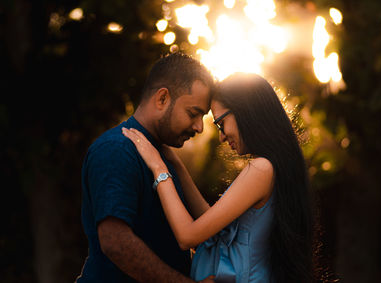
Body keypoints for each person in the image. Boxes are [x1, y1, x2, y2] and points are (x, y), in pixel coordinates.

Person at [122, 72, 313, 282]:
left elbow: (188, 236)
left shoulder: (261, 169)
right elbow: (214, 228)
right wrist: (174, 162)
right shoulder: (271, 167)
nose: (221, 136)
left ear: (245, 111)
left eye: (221, 123)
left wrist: (159, 168)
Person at [76, 53, 216, 282]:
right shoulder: (117, 149)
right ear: (162, 99)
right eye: (193, 113)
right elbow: (116, 242)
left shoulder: (162, 156)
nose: (200, 127)